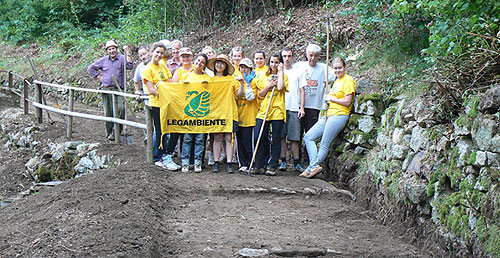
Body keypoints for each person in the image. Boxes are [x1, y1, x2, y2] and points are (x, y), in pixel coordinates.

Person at [301, 57, 355, 178]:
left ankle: (311, 168)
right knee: (308, 137)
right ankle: (313, 167)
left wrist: (332, 98)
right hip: (328, 114)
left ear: (345, 67)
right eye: (335, 68)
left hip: (339, 115)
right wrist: (327, 103)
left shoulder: (348, 80)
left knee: (324, 143)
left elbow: (347, 101)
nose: (337, 70)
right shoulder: (336, 81)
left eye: (340, 67)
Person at [294, 43, 335, 163]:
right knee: (297, 133)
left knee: (310, 134)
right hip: (299, 105)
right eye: (311, 55)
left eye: (316, 56)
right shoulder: (299, 66)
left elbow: (337, 75)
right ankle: (297, 160)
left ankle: (308, 160)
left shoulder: (324, 69)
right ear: (307, 55)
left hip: (314, 106)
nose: (313, 58)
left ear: (319, 56)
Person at [141, 42, 179, 170]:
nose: (159, 55)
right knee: (160, 130)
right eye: (157, 52)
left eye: (162, 53)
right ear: (152, 52)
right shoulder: (148, 69)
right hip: (156, 104)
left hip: (166, 103)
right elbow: (151, 89)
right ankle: (158, 156)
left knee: (169, 129)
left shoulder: (163, 67)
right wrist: (164, 95)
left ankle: (164, 154)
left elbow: (169, 83)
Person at [251, 53, 289, 176]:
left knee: (276, 139)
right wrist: (269, 85)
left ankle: (273, 165)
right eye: (272, 62)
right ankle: (259, 164)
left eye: (277, 62)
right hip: (264, 111)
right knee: (258, 136)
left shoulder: (284, 76)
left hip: (277, 111)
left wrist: (281, 71)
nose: (274, 64)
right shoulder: (262, 77)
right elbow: (260, 94)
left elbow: (281, 87)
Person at [87, 40, 133, 141]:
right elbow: (91, 68)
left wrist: (127, 53)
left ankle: (117, 131)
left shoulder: (121, 58)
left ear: (116, 49)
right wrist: (98, 77)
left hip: (119, 89)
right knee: (108, 112)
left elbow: (130, 66)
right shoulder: (103, 60)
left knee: (121, 109)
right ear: (107, 51)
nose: (112, 51)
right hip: (106, 89)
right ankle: (110, 133)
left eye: (113, 48)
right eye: (109, 49)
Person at [207, 54, 243, 173]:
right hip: (216, 112)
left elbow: (238, 95)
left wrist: (242, 84)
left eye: (222, 63)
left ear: (226, 65)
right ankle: (216, 162)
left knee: (229, 138)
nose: (219, 65)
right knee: (217, 137)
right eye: (217, 62)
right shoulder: (210, 80)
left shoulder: (232, 79)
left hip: (230, 111)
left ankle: (229, 162)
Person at [180, 53, 211, 172]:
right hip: (188, 113)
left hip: (202, 115)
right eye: (198, 61)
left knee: (200, 139)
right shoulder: (186, 76)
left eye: (202, 62)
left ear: (204, 65)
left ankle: (198, 162)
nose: (199, 63)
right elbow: (179, 92)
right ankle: (185, 162)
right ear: (194, 61)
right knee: (187, 139)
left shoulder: (207, 78)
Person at [279, 47, 307, 172]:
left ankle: (296, 161)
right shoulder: (278, 71)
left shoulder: (298, 72)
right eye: (284, 56)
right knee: (281, 136)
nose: (287, 59)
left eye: (289, 56)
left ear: (292, 57)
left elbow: (302, 90)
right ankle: (283, 161)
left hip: (294, 107)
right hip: (280, 108)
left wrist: (302, 108)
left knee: (295, 137)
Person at [235, 58, 259, 172]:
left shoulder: (254, 81)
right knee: (240, 141)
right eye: (241, 67)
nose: (243, 70)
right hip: (239, 116)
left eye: (246, 67)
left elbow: (251, 97)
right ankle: (243, 163)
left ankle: (252, 162)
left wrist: (248, 84)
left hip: (250, 117)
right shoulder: (236, 81)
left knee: (249, 142)